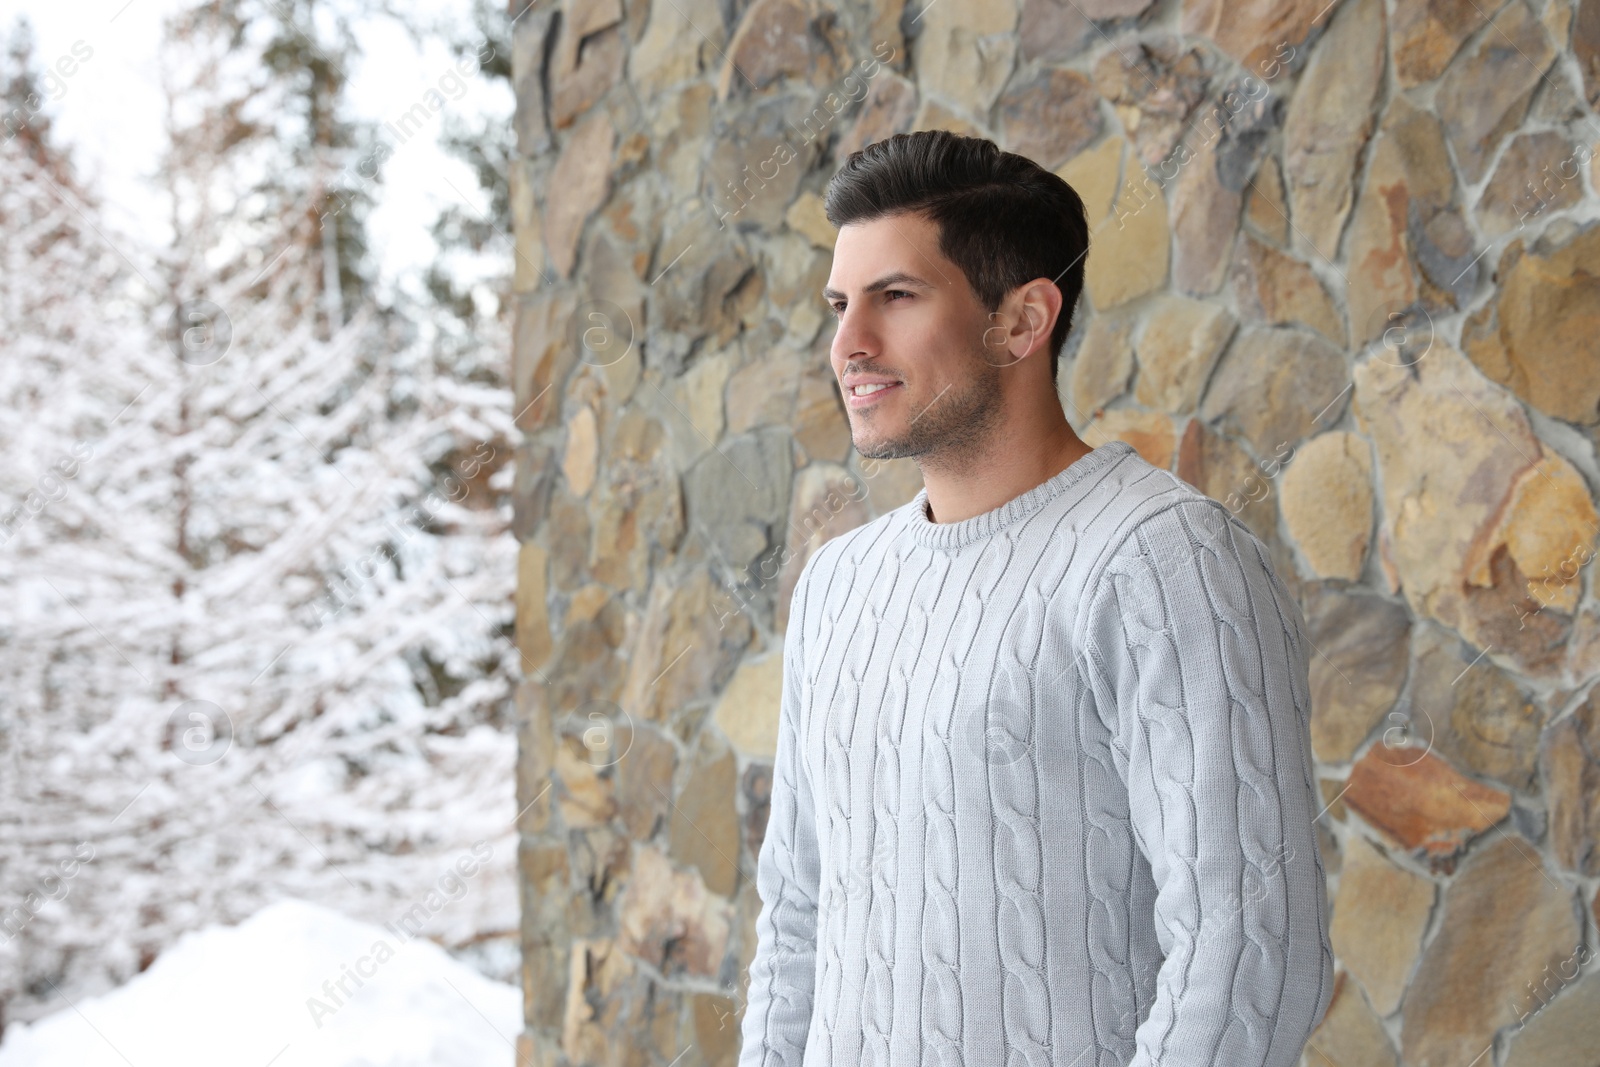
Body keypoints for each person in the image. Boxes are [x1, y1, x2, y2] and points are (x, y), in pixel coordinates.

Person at [737, 130, 1334, 1067]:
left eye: (895, 297)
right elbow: (798, 917)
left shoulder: (1163, 561)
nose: (848, 344)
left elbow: (1251, 949)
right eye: (839, 304)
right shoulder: (836, 585)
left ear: (1023, 321)